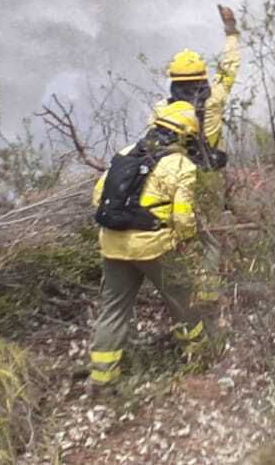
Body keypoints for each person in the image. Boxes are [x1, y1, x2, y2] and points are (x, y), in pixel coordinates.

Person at [86, 100, 211, 394]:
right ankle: (199, 355)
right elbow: (183, 217)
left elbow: (97, 198)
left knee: (114, 308)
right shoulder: (181, 165)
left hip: (113, 245)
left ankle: (102, 380)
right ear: (185, 136)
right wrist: (186, 239)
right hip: (154, 247)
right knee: (183, 299)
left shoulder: (125, 154)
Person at [164, 3, 241, 305]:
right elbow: (230, 66)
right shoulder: (215, 100)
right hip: (207, 177)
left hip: (172, 177)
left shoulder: (163, 110)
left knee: (177, 234)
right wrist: (231, 30)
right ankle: (208, 297)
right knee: (210, 238)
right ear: (201, 77)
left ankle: (178, 290)